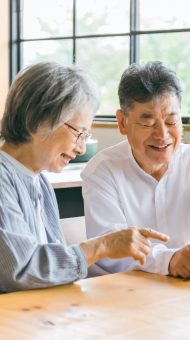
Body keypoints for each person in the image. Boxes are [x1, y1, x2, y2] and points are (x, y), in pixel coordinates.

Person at [82, 61, 190, 283]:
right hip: (119, 290)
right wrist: (169, 259)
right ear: (122, 122)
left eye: (171, 121)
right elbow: (108, 249)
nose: (162, 134)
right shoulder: (102, 170)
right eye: (148, 123)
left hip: (180, 288)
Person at [0, 62, 169, 293]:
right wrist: (102, 246)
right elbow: (21, 271)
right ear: (38, 120)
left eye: (86, 135)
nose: (81, 148)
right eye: (78, 133)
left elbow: (49, 273)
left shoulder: (38, 180)